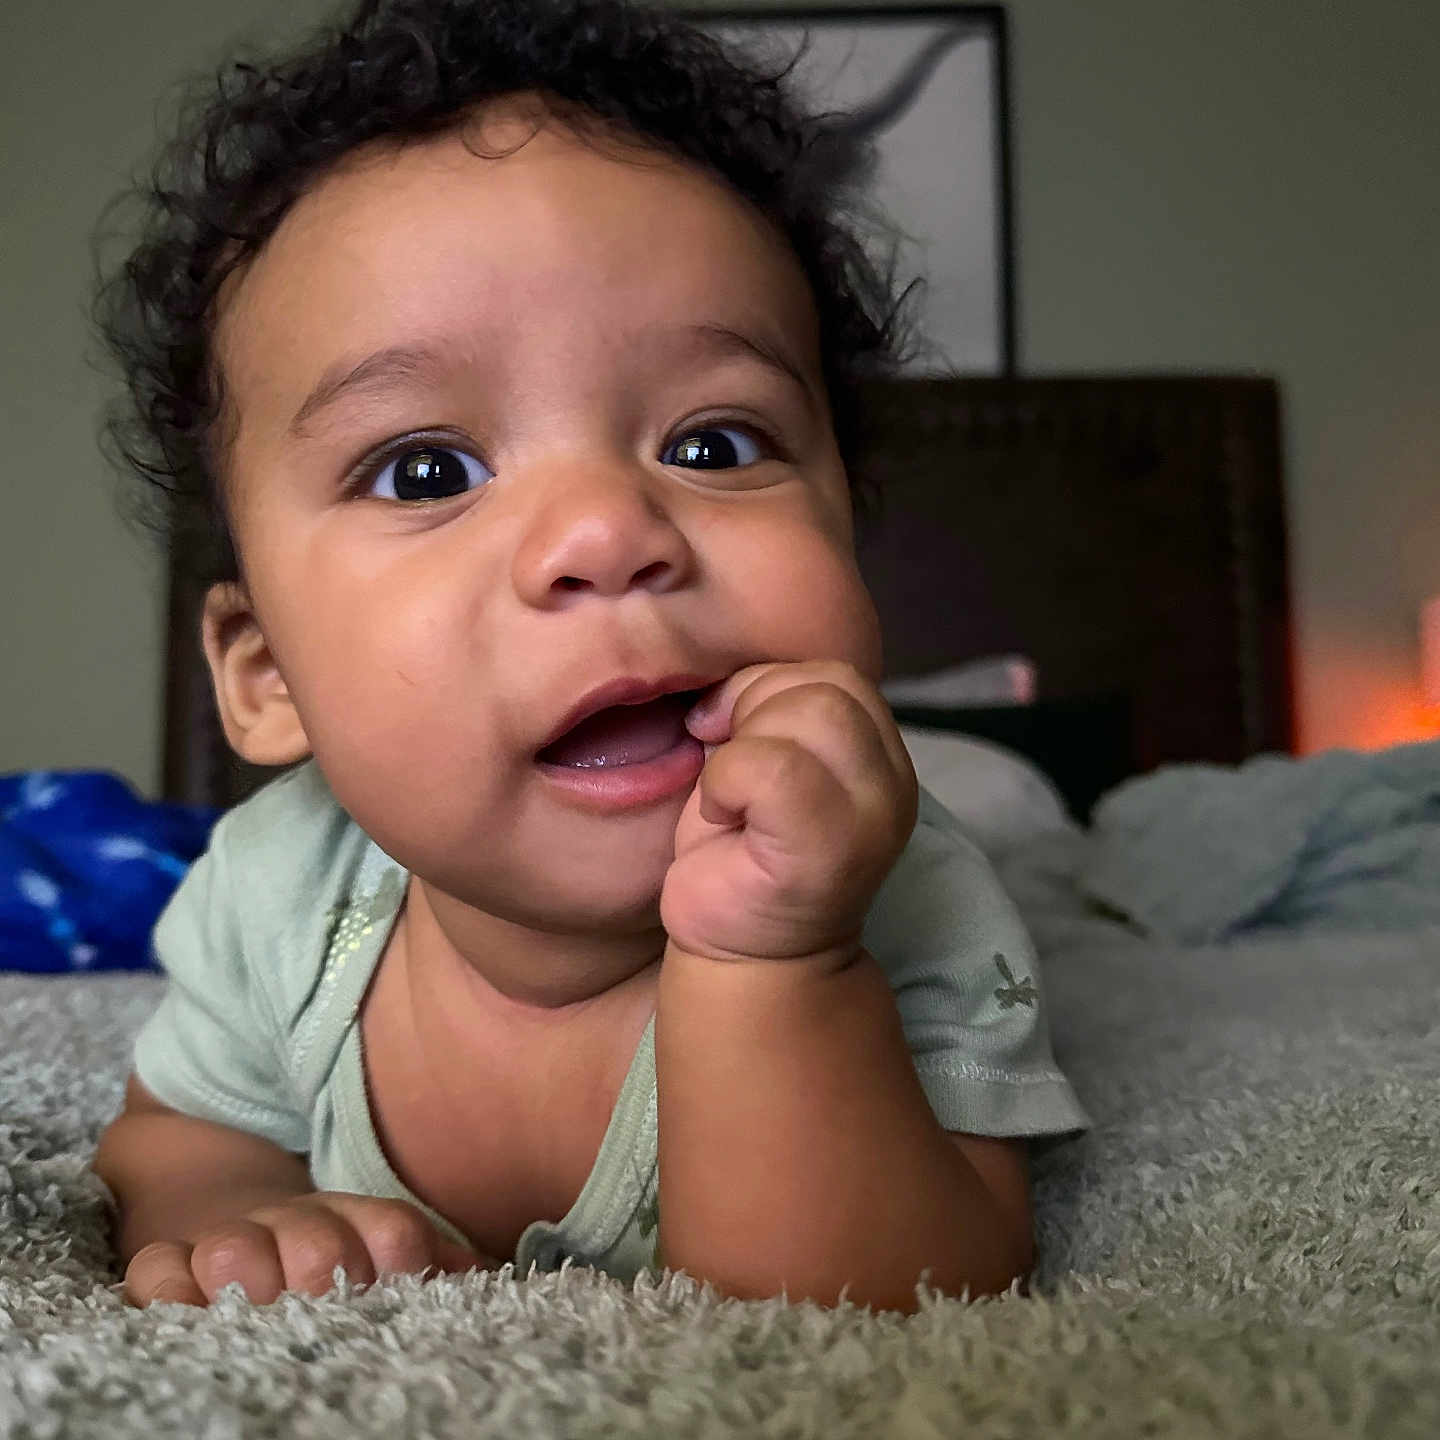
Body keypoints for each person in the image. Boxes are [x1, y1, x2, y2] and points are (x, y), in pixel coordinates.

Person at [90, 0, 1089, 1314]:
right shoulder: (280, 894)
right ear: (266, 675)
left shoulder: (901, 891)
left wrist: (777, 966)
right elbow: (176, 1136)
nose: (607, 532)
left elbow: (890, 1311)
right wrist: (233, 1211)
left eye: (714, 444)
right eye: (428, 468)